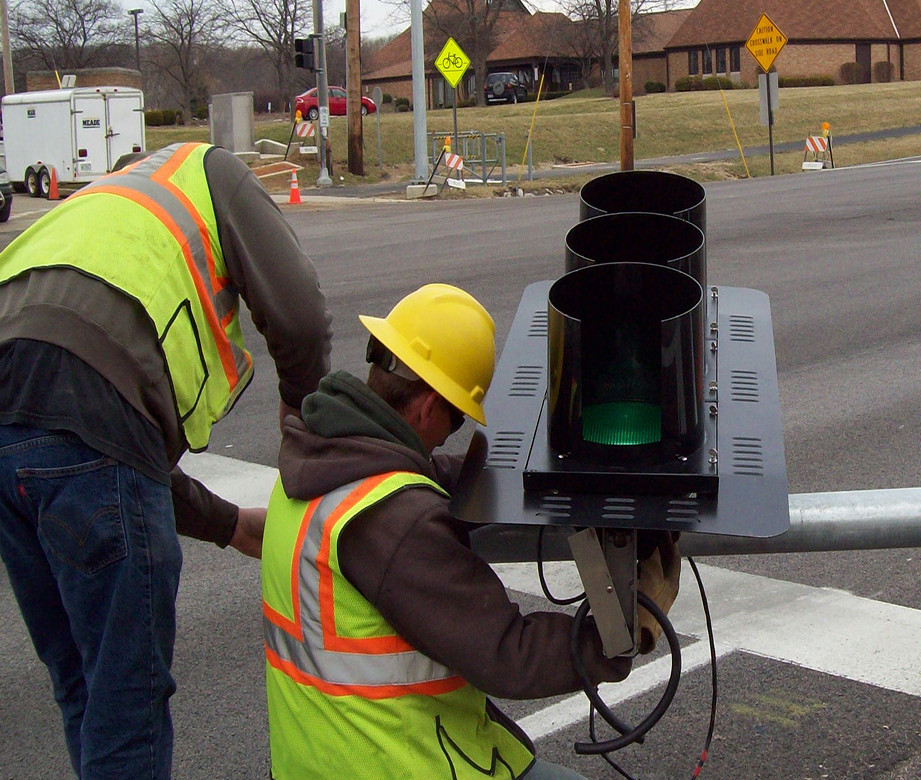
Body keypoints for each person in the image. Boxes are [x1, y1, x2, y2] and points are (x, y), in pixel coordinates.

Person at [0, 141, 332, 780]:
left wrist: (230, 524)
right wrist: (304, 439)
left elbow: (114, 456)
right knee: (126, 704)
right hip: (92, 428)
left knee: (82, 683)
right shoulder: (214, 173)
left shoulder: (102, 207)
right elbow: (299, 320)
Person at [262, 283, 680, 780]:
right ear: (427, 408)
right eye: (457, 416)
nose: (452, 429)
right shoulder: (397, 523)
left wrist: (554, 472)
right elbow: (508, 654)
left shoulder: (320, 466)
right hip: (401, 764)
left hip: (315, 760)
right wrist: (628, 629)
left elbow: (429, 472)